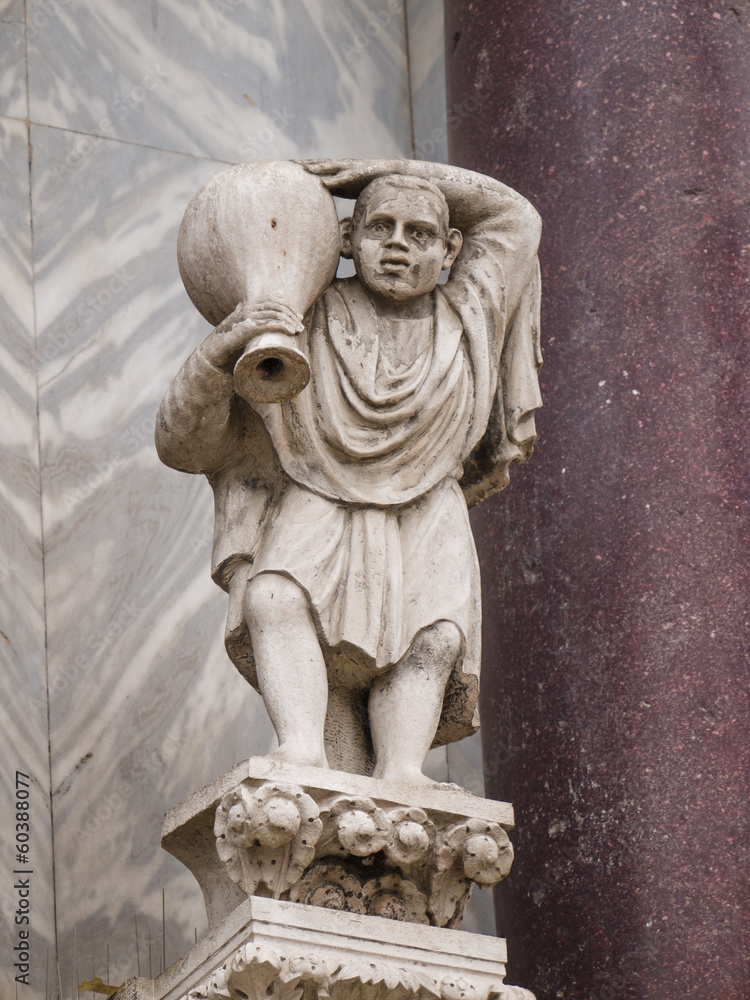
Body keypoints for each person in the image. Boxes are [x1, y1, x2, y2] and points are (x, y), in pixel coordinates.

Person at [156, 158, 542, 784]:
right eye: (378, 226)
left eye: (419, 234)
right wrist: (219, 352)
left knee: (434, 637)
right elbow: (182, 444)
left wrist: (381, 171)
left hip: (427, 501)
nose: (396, 244)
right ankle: (303, 748)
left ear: (451, 250)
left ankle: (402, 771)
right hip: (317, 488)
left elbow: (516, 217)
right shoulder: (301, 316)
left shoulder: (473, 315)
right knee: (276, 598)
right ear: (344, 240)